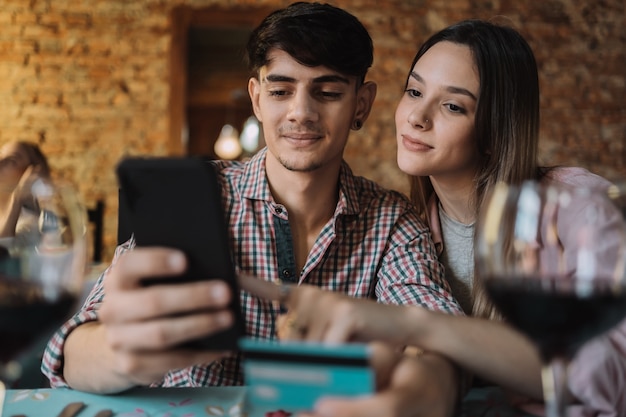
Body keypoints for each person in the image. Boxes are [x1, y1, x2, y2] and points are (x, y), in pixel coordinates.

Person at [41, 3, 462, 412]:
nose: (301, 112)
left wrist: (425, 387)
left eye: (328, 92)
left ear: (361, 104)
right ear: (257, 99)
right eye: (281, 91)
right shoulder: (197, 200)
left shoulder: (392, 221)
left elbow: (435, 336)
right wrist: (119, 353)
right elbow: (71, 351)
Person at [242, 19, 626, 417]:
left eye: (453, 105)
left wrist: (416, 327)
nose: (416, 117)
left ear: (497, 128)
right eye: (414, 91)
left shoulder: (577, 204)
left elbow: (614, 366)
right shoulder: (417, 223)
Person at [0, 141, 51, 247]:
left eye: (12, 161)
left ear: (32, 175)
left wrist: (17, 199)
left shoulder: (31, 226)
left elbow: (4, 256)